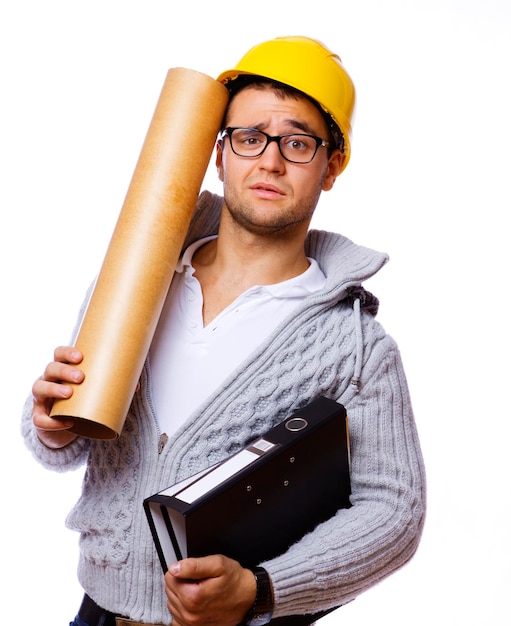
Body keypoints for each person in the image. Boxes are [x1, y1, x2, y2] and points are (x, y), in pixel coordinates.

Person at [22, 36, 426, 626]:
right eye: (249, 137)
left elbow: (395, 512)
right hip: (96, 612)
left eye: (297, 142)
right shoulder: (138, 277)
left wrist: (262, 589)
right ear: (219, 154)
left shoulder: (356, 346)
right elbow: (68, 438)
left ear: (331, 166)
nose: (269, 161)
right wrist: (49, 427)